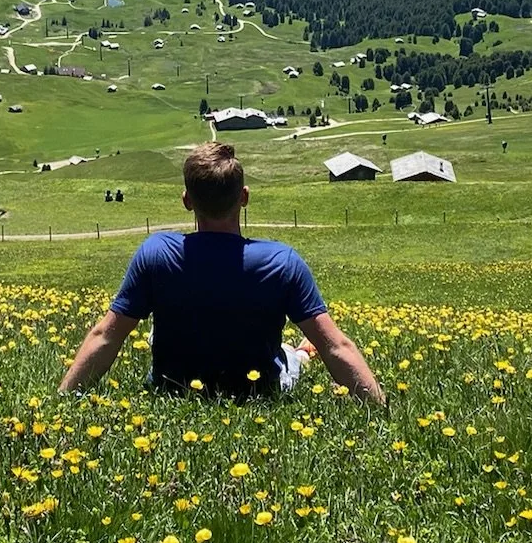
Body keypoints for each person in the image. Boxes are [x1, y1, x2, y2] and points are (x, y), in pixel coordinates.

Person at [60, 142, 384, 403]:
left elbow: (108, 334)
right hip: (259, 390)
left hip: (174, 388)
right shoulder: (281, 261)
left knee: (156, 334)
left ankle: (296, 352)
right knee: (287, 356)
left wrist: (64, 398)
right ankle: (299, 353)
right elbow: (335, 346)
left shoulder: (156, 253)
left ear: (187, 201)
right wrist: (377, 407)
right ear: (244, 198)